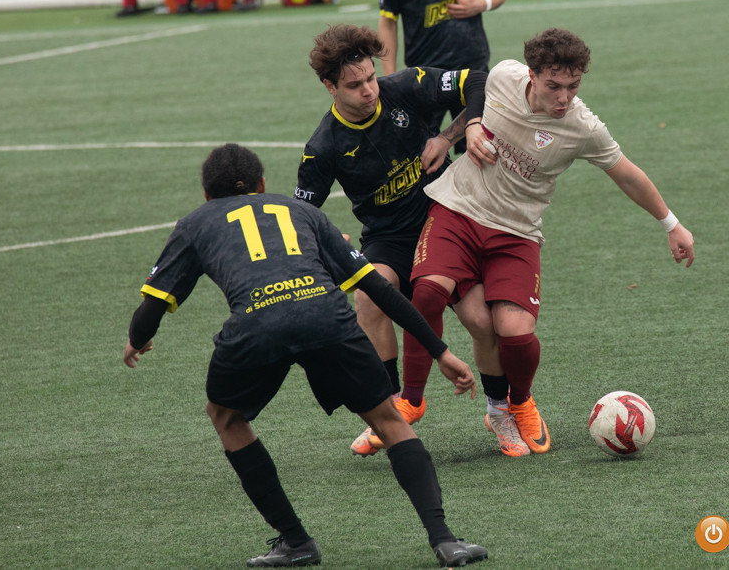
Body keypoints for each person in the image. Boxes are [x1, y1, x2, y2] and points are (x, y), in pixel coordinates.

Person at [123, 143, 488, 568]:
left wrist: (137, 339)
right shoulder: (301, 211)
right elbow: (377, 288)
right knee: (388, 420)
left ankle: (296, 542)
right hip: (326, 316)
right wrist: (440, 351)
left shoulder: (194, 223)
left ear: (206, 195)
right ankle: (445, 540)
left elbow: (152, 306)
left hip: (256, 327)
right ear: (262, 185)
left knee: (225, 416)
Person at [401, 28, 696, 457]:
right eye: (554, 86)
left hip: (516, 232)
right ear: (532, 75)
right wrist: (452, 136)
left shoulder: (583, 128)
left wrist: (671, 223)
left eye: (573, 86)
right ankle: (410, 400)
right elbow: (477, 102)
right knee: (429, 294)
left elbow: (628, 175)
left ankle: (516, 403)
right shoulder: (503, 76)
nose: (564, 97)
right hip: (458, 209)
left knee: (515, 334)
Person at [295, 24, 506, 456]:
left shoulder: (406, 86)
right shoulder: (323, 147)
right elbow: (301, 216)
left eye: (371, 78)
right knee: (368, 295)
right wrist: (326, 238)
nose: (369, 91)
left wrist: (450, 135)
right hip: (388, 238)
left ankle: (500, 409)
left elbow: (477, 80)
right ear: (329, 87)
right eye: (354, 86)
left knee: (481, 322)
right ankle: (392, 410)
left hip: (443, 222)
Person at [378, 0, 510, 153]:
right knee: (420, 156)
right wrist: (389, 81)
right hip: (424, 76)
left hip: (473, 72)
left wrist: (482, 3)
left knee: (483, 151)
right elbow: (388, 21)